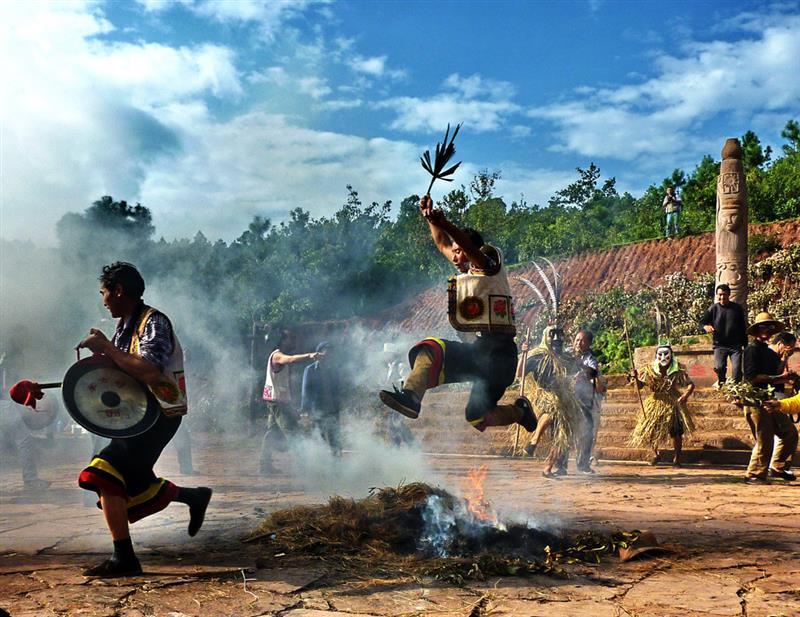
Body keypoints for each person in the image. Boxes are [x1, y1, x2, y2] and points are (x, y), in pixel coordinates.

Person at [76, 262, 212, 577]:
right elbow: (119, 370)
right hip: (135, 416)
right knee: (132, 480)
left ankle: (124, 558)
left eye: (104, 293)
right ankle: (193, 496)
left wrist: (107, 348)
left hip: (158, 415)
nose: (104, 300)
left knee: (104, 473)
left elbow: (149, 371)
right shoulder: (125, 325)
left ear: (119, 290)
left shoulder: (155, 323)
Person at [378, 195, 537, 436]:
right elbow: (443, 242)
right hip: (478, 353)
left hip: (500, 356)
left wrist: (447, 223)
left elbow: (471, 250)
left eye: (460, 251)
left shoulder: (489, 262)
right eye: (454, 252)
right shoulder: (466, 268)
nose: (454, 256)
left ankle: (520, 411)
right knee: (432, 351)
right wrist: (431, 219)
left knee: (476, 413)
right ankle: (411, 397)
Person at [259, 328, 325, 474]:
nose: (294, 341)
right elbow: (290, 359)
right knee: (294, 434)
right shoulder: (277, 356)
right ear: (282, 340)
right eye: (291, 338)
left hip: (275, 401)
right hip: (278, 403)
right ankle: (304, 469)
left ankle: (264, 466)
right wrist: (309, 355)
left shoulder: (276, 355)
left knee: (271, 434)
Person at [522, 326, 584, 477]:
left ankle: (548, 467)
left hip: (563, 397)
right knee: (553, 407)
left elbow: (571, 377)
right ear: (545, 337)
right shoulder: (538, 356)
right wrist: (524, 354)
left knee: (563, 435)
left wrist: (576, 378)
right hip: (544, 395)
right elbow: (520, 374)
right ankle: (534, 441)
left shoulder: (566, 358)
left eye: (559, 335)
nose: (556, 339)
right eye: (552, 335)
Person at [743, 315, 798, 483]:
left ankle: (777, 466)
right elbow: (752, 377)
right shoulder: (751, 350)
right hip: (756, 400)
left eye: (769, 328)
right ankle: (754, 474)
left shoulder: (768, 351)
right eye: (763, 328)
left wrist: (785, 361)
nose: (766, 331)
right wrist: (778, 377)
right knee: (764, 440)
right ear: (757, 331)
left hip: (770, 399)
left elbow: (777, 371)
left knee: (789, 432)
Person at [628, 344, 695, 466]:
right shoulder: (649, 370)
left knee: (676, 431)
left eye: (666, 354)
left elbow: (690, 384)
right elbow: (639, 386)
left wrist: (685, 396)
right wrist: (635, 378)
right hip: (655, 401)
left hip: (673, 401)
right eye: (660, 354)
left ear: (671, 355)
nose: (663, 357)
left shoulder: (678, 369)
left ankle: (677, 458)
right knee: (651, 429)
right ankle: (656, 454)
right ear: (656, 356)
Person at [572, 329, 607, 473]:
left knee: (587, 428)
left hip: (583, 399)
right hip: (565, 397)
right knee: (563, 430)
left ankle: (583, 464)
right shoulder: (566, 354)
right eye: (577, 340)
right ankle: (560, 465)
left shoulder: (590, 358)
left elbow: (592, 372)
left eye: (582, 340)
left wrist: (580, 366)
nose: (578, 343)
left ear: (589, 344)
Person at [700, 283, 747, 388]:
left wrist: (745, 344)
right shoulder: (713, 309)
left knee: (737, 370)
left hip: (735, 345)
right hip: (720, 345)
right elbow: (702, 322)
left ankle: (736, 390)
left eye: (724, 294)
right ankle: (721, 382)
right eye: (720, 295)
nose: (722, 297)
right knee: (719, 367)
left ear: (729, 295)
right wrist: (705, 327)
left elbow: (743, 327)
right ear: (717, 295)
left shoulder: (737, 309)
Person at [301, 341, 342, 455]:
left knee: (335, 438)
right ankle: (322, 465)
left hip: (332, 409)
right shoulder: (310, 369)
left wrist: (338, 405)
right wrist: (305, 409)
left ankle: (338, 465)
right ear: (318, 354)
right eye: (326, 353)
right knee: (320, 437)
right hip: (317, 409)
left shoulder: (334, 370)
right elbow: (306, 390)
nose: (328, 356)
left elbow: (337, 390)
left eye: (330, 354)